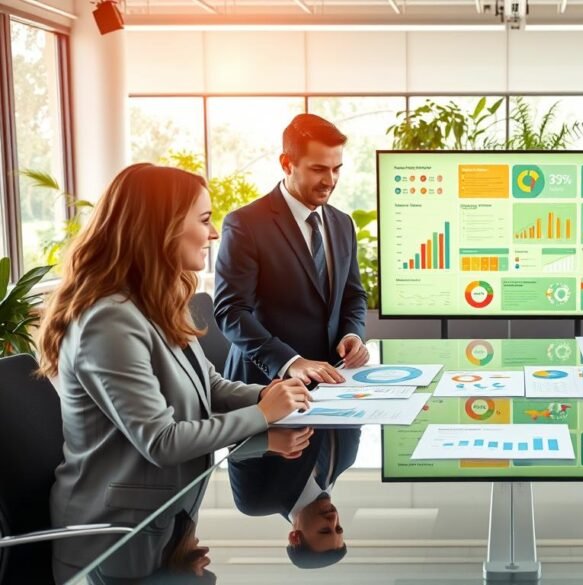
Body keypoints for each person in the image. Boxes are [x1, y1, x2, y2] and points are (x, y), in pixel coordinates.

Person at [36, 163, 312, 581]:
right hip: (114, 544)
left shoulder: (152, 302)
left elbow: (209, 385)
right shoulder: (108, 321)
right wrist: (262, 416)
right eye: (203, 220)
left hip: (161, 524)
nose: (214, 233)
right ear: (160, 229)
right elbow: (161, 441)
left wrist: (269, 397)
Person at [215, 113, 370, 387]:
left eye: (337, 169)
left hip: (332, 383)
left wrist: (352, 335)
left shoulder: (342, 223)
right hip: (265, 385)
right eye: (318, 169)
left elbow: (353, 294)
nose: (330, 180)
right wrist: (290, 362)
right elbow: (232, 311)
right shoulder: (245, 224)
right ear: (287, 164)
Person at [228, 428, 362, 569]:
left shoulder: (255, 501)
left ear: (295, 537)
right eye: (338, 528)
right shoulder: (347, 459)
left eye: (324, 530)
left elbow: (236, 452)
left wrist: (270, 443)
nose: (333, 519)